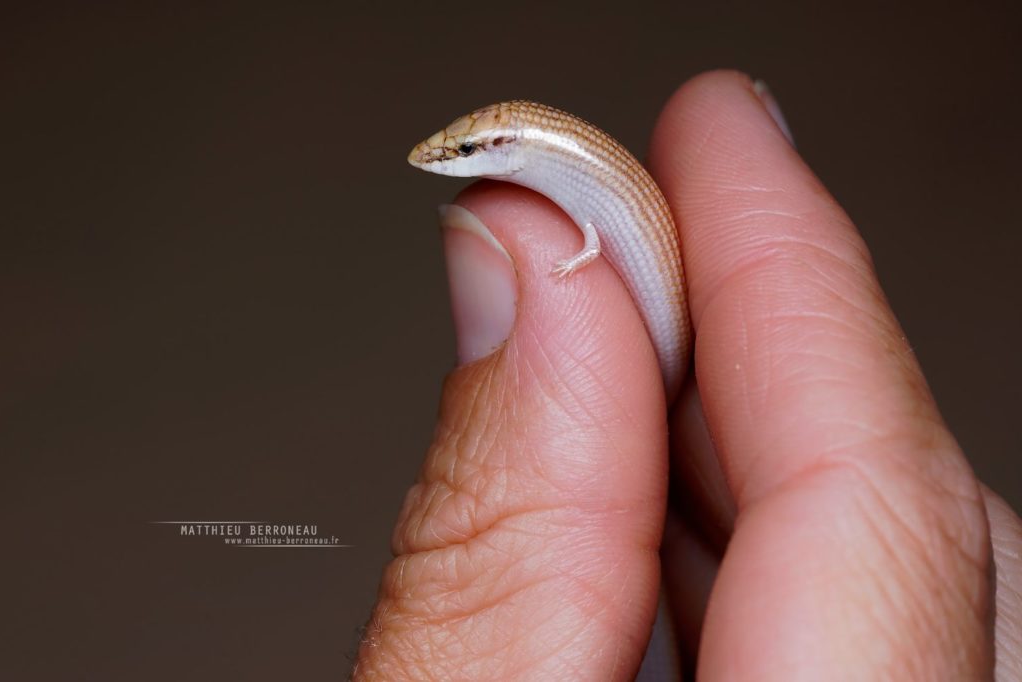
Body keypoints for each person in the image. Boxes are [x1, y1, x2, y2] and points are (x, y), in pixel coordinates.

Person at [352, 71, 1022, 680]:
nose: (445, 157)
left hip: (671, 345)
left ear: (502, 147)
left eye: (460, 151)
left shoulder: (548, 162)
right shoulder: (539, 164)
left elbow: (598, 231)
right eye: (456, 152)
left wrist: (583, 256)